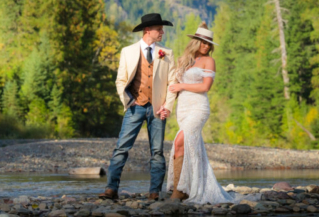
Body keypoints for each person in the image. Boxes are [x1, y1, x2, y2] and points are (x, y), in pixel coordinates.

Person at [100, 13, 179, 200]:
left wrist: (167, 106)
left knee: (157, 152)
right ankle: (111, 189)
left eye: (162, 29)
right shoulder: (127, 51)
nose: (162, 32)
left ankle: (154, 193)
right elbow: (120, 80)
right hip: (135, 107)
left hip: (158, 109)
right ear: (147, 30)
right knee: (121, 148)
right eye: (159, 29)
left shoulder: (167, 53)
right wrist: (129, 100)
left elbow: (172, 82)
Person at [166, 22, 233, 204]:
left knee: (180, 141)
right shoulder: (184, 60)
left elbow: (205, 86)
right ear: (195, 42)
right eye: (203, 42)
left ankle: (179, 191)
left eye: (208, 43)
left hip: (198, 108)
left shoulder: (209, 61)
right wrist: (165, 105)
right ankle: (186, 187)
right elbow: (172, 84)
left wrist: (181, 85)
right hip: (183, 108)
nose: (206, 46)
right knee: (190, 146)